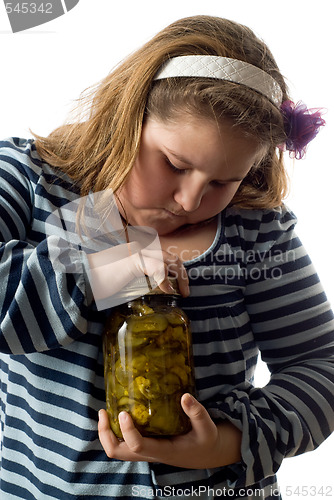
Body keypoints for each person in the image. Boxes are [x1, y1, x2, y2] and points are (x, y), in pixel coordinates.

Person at [0, 14, 333, 500]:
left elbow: (319, 364)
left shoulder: (255, 229)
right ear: (128, 116)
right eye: (175, 164)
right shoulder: (31, 182)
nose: (190, 200)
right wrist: (109, 264)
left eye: (224, 181)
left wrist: (223, 443)